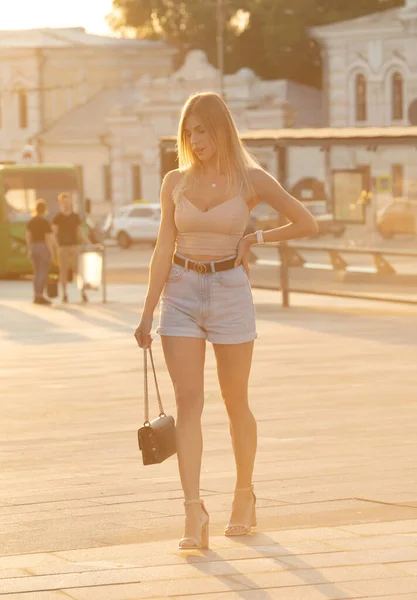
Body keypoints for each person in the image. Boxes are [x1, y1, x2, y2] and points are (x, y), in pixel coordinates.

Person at [134, 92, 318, 550]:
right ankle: (193, 511)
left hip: (231, 294)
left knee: (236, 401)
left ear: (222, 130)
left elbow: (305, 222)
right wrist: (146, 311)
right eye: (189, 132)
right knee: (188, 401)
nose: (195, 140)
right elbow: (162, 247)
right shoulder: (174, 182)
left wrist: (257, 236)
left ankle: (244, 495)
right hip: (180, 294)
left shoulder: (250, 179)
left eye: (203, 130)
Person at [52, 192, 90, 303]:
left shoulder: (75, 216)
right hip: (63, 247)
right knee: (63, 271)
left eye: (68, 200)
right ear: (60, 202)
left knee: (78, 270)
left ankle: (83, 293)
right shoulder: (58, 217)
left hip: (74, 246)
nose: (66, 203)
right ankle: (64, 294)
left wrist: (88, 242)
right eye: (64, 201)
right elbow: (54, 233)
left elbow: (79, 231)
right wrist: (57, 246)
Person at [25, 199, 56, 305]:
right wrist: (52, 253)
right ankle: (40, 296)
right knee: (43, 272)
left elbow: (28, 237)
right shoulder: (45, 222)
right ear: (45, 210)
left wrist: (30, 249)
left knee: (36, 273)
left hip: (33, 247)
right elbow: (48, 239)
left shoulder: (31, 221)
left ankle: (35, 295)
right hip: (43, 247)